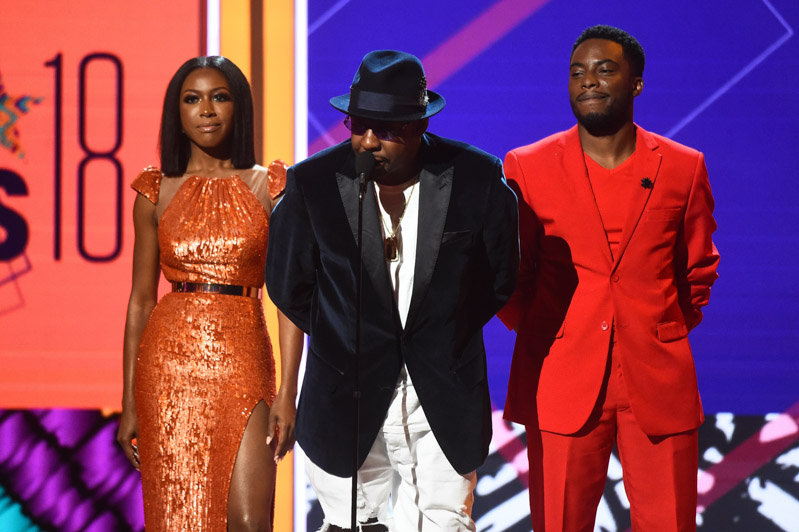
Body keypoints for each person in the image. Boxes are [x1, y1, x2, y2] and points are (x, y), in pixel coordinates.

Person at [265, 50, 519, 531]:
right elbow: (287, 284)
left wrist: (443, 332)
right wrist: (342, 334)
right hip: (344, 394)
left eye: (384, 131)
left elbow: (500, 278)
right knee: (350, 522)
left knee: (444, 523)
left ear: (417, 126)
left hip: (441, 394)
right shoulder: (312, 184)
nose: (366, 142)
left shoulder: (476, 179)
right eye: (358, 125)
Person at [498, 25, 720, 531]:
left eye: (604, 69)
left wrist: (658, 326)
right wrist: (547, 332)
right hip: (560, 377)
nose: (588, 81)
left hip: (658, 380)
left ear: (636, 83)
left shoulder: (683, 168)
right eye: (577, 72)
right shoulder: (526, 167)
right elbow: (511, 274)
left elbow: (698, 268)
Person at [116, 56, 298, 531]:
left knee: (249, 521)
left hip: (244, 356)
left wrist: (288, 393)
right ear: (176, 112)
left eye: (220, 97)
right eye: (192, 99)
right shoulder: (154, 191)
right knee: (180, 516)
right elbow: (140, 300)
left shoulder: (272, 186)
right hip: (168, 368)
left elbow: (287, 298)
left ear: (240, 108)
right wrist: (130, 402)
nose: (207, 110)